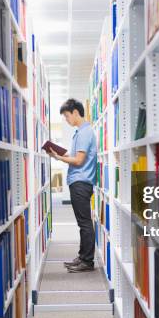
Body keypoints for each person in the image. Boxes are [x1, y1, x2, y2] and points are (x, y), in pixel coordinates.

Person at [48, 98, 98, 273]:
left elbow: (78, 160)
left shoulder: (84, 132)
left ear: (76, 112)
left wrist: (60, 158)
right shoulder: (80, 132)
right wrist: (59, 154)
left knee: (84, 223)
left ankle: (87, 261)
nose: (66, 120)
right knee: (82, 222)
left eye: (67, 116)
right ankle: (83, 257)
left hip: (81, 182)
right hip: (79, 182)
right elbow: (75, 155)